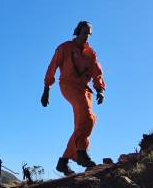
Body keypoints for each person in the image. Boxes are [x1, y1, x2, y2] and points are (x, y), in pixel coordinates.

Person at [42, 20, 106, 176]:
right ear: (78, 32)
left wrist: (100, 90)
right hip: (68, 85)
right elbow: (52, 67)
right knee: (86, 115)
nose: (86, 37)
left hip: (85, 89)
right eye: (84, 33)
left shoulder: (91, 53)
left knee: (86, 122)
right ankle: (81, 153)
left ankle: (63, 162)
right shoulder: (64, 48)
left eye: (89, 34)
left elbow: (97, 72)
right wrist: (46, 89)